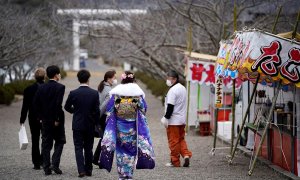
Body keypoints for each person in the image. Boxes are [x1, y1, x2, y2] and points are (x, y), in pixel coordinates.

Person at [99, 71, 155, 180]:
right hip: (133, 127)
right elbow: (144, 109)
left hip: (119, 127)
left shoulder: (116, 94)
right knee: (131, 150)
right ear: (133, 80)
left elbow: (109, 110)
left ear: (123, 79)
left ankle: (121, 175)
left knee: (120, 151)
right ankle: (129, 174)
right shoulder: (137, 95)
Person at [64, 69, 100, 177]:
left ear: (78, 79)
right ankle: (89, 170)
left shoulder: (73, 93)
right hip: (90, 124)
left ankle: (81, 170)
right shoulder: (94, 93)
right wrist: (97, 123)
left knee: (78, 147)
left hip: (78, 124)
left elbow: (66, 107)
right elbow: (96, 111)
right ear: (88, 79)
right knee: (88, 148)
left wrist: (75, 111)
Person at [34, 65, 66, 175]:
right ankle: (55, 164)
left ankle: (46, 167)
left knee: (46, 143)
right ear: (56, 74)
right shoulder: (60, 87)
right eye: (59, 73)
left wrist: (40, 118)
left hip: (45, 119)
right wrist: (57, 118)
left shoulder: (41, 87)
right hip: (56, 119)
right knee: (60, 141)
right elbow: (58, 104)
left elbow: (36, 104)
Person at [161, 70, 192, 167]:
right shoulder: (182, 88)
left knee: (173, 141)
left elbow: (170, 106)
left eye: (169, 78)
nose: (167, 80)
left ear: (175, 79)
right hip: (182, 119)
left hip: (173, 120)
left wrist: (166, 118)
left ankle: (175, 161)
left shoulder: (172, 90)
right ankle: (186, 155)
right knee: (181, 139)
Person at [20, 68, 46, 170]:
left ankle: (36, 163)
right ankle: (44, 160)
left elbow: (25, 106)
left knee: (35, 140)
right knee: (45, 140)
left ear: (34, 77)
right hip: (45, 118)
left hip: (33, 117)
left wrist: (22, 119)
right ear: (44, 76)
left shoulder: (28, 89)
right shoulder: (48, 88)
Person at [93, 70, 117, 166]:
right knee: (105, 138)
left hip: (99, 114)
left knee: (103, 138)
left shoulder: (102, 86)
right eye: (114, 78)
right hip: (103, 116)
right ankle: (97, 158)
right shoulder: (109, 90)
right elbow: (104, 105)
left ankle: (96, 158)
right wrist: (97, 116)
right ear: (108, 78)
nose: (115, 80)